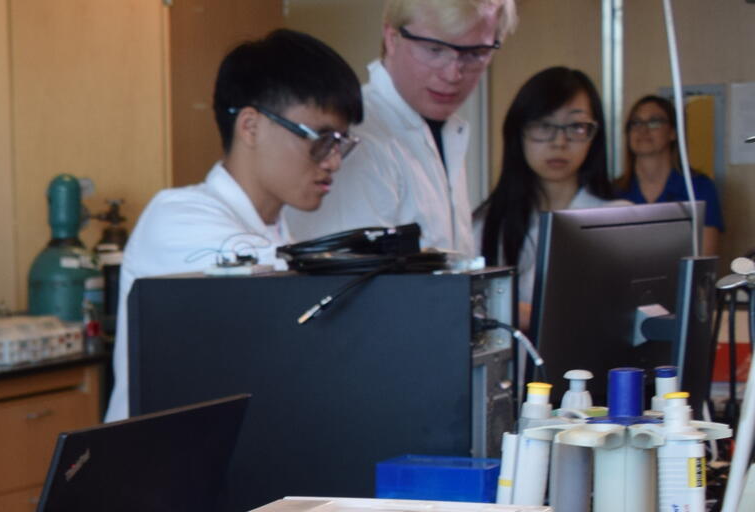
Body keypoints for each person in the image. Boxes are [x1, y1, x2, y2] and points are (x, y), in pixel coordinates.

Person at [108, 29, 364, 421]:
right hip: (149, 470)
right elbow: (271, 284)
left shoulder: (283, 233)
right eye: (321, 140)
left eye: (341, 143)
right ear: (250, 127)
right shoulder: (177, 216)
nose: (333, 162)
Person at [285, 0, 517, 255]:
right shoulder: (358, 137)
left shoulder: (445, 130)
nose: (453, 75)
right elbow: (352, 283)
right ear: (391, 38)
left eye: (475, 54)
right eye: (434, 50)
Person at [475, 67, 628, 321]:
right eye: (543, 125)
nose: (559, 142)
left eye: (576, 126)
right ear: (518, 132)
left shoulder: (619, 218)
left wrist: (527, 315)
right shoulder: (485, 223)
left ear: (594, 135)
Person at [616, 94, 723, 255]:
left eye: (654, 122)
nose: (643, 129)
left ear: (673, 131)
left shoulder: (699, 188)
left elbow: (704, 258)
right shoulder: (614, 191)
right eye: (636, 123)